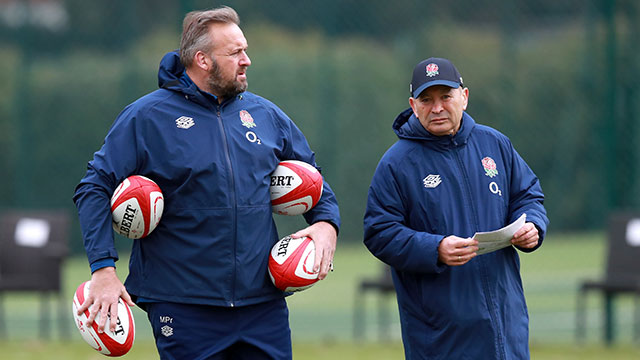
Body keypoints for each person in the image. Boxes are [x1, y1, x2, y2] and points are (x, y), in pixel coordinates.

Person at [73, 6, 340, 359]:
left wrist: (326, 224)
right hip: (183, 305)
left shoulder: (265, 115)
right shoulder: (147, 117)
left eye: (245, 50)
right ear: (202, 59)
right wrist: (104, 270)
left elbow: (312, 177)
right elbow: (93, 187)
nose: (246, 60)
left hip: (261, 302)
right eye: (235, 53)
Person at [363, 57, 548, 359]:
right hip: (440, 336)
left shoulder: (495, 144)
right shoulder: (396, 164)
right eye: (426, 100)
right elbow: (379, 233)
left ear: (464, 96)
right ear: (413, 104)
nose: (437, 108)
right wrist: (435, 249)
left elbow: (528, 195)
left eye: (445, 97)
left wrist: (533, 226)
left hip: (506, 322)